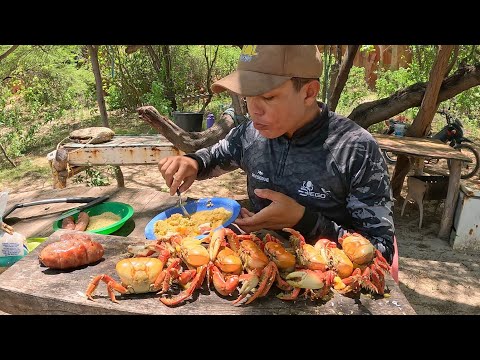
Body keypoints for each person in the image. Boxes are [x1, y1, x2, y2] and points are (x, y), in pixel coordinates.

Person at [158, 45, 395, 264]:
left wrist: (305, 221)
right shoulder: (250, 134)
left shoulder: (355, 149)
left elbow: (380, 249)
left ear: (309, 92)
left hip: (329, 284)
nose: (254, 110)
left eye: (268, 97)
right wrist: (193, 162)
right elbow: (216, 155)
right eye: (247, 97)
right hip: (257, 265)